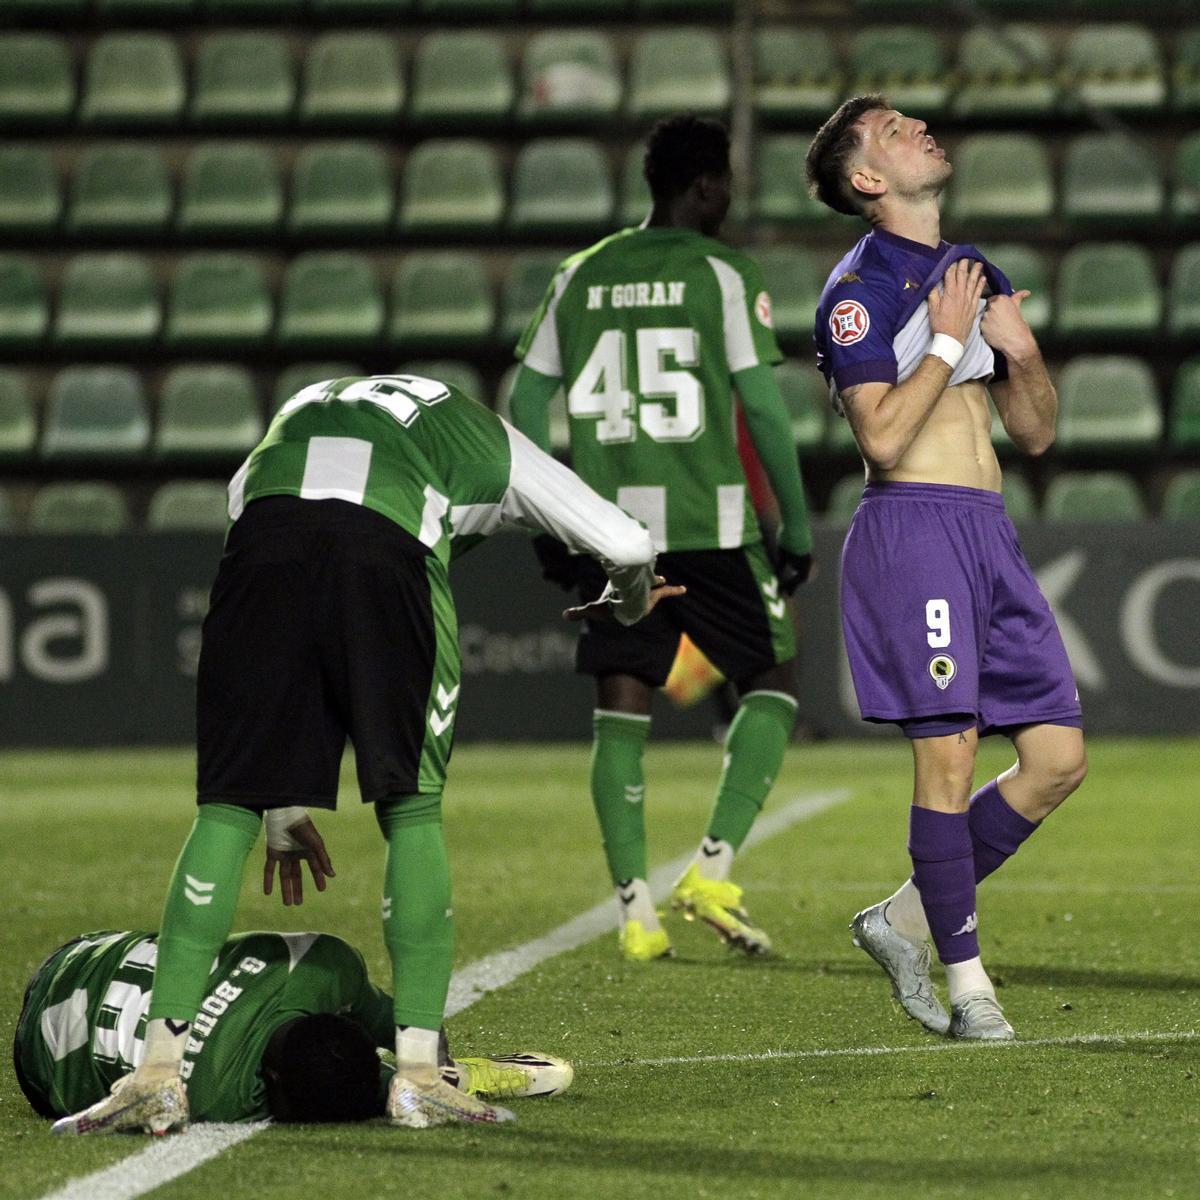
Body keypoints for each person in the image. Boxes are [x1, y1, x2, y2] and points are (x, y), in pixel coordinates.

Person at [51, 372, 682, 1136]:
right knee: (411, 805)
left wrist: (284, 804)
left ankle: (155, 1074)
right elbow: (626, 541)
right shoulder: (485, 437)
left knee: (227, 805)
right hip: (385, 554)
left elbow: (283, 565)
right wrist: (633, 599)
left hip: (259, 548)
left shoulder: (297, 414)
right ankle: (419, 1076)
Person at [805, 97, 1087, 1040]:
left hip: (988, 529)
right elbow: (881, 438)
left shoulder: (972, 271)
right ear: (868, 181)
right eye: (890, 129)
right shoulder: (859, 287)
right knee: (952, 750)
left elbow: (1037, 431)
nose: (917, 126)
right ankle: (970, 990)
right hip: (912, 528)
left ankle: (902, 920)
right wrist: (948, 341)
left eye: (911, 118)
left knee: (1056, 759)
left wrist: (1024, 352)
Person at [508, 113, 815, 964]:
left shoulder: (579, 274)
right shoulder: (722, 273)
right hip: (708, 524)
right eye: (727, 182)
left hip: (610, 528)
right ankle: (711, 870)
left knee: (623, 700)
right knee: (775, 676)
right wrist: (791, 525)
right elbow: (762, 408)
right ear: (706, 184)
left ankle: (634, 909)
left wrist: (548, 511)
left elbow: (526, 406)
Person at [17, 927, 572, 1127]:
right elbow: (409, 1032)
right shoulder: (218, 1097)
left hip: (85, 951)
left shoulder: (319, 966)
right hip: (37, 1064)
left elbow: (394, 1030)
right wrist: (447, 1077)